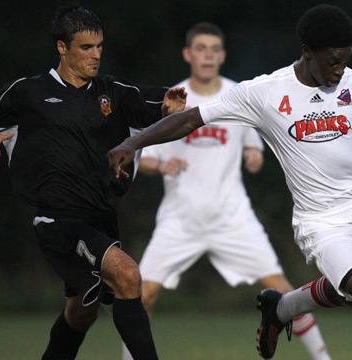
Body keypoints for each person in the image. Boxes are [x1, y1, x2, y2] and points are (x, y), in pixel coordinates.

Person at [108, 4, 352, 360]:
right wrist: (133, 142)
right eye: (332, 61)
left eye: (345, 61)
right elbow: (191, 119)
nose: (340, 70)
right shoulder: (265, 93)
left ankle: (281, 309)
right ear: (307, 52)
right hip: (321, 223)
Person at [120, 22, 331, 360]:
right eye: (201, 49)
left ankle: (324, 357)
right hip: (180, 217)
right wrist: (160, 165)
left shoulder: (240, 94)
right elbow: (145, 158)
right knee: (142, 294)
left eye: (214, 49)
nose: (208, 55)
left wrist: (253, 156)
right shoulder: (171, 98)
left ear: (222, 55)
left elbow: (255, 150)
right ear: (189, 54)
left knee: (282, 290)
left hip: (231, 215)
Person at [0, 5, 186, 360]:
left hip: (101, 217)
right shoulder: (28, 92)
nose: (96, 55)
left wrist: (170, 108)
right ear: (62, 47)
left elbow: (158, 107)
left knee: (82, 312)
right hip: (56, 218)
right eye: (86, 48)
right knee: (127, 275)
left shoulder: (113, 93)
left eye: (99, 47)